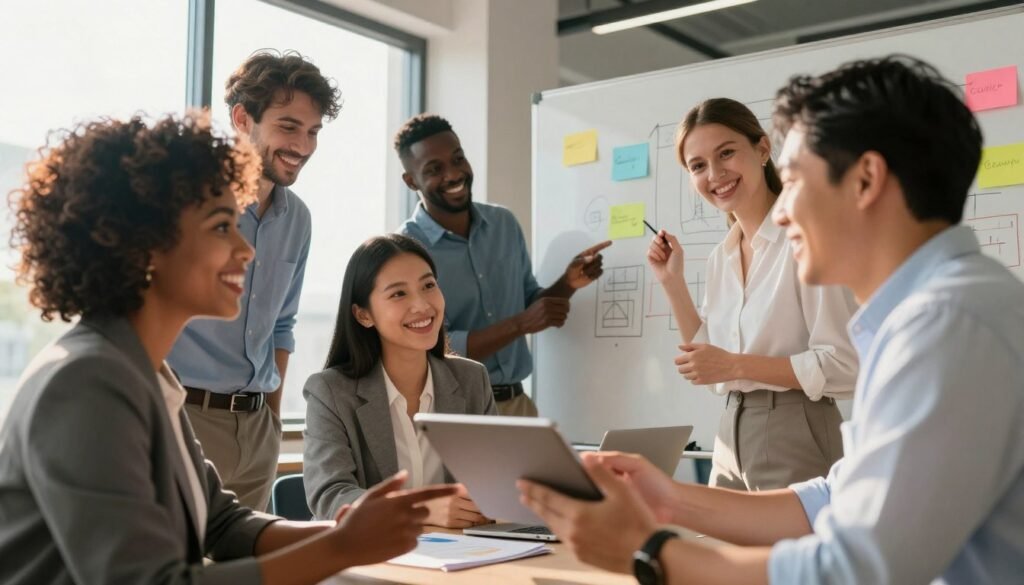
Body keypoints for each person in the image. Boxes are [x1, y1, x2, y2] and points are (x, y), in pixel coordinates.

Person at [518, 55, 1024, 584]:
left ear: (866, 179)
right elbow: (836, 495)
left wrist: (651, 553)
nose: (782, 212)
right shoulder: (935, 316)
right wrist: (666, 495)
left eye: (796, 179)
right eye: (697, 165)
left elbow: (861, 568)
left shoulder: (948, 326)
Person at [0, 113, 456, 585]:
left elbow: (221, 523)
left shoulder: (148, 373)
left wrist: (352, 533)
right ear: (144, 244)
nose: (247, 250)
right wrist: (341, 547)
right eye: (222, 227)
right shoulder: (86, 383)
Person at [647, 97, 858, 490]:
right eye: (698, 166)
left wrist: (736, 366)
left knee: (790, 552)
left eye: (726, 153)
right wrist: (672, 282)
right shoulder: (720, 257)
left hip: (797, 430)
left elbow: (844, 364)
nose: (715, 174)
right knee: (722, 550)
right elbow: (713, 372)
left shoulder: (807, 238)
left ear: (762, 149)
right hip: (730, 432)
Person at [168, 50, 335, 510]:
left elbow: (283, 325)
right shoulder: (191, 201)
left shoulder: (298, 219)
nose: (303, 145)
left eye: (313, 131)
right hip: (186, 418)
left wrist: (274, 422)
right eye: (288, 126)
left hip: (258, 430)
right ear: (243, 118)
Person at [395, 113, 611, 416]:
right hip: (454, 409)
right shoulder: (405, 249)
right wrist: (520, 325)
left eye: (458, 159)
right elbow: (435, 346)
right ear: (410, 180)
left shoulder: (503, 224)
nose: (453, 174)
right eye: (434, 169)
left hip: (518, 405)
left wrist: (568, 283)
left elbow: (530, 305)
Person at [303, 234, 497, 527]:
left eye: (428, 285)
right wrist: (423, 509)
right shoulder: (330, 391)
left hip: (465, 556)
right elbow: (331, 496)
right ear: (363, 314)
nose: (422, 305)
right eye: (398, 294)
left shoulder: (472, 379)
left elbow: (495, 482)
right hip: (375, 559)